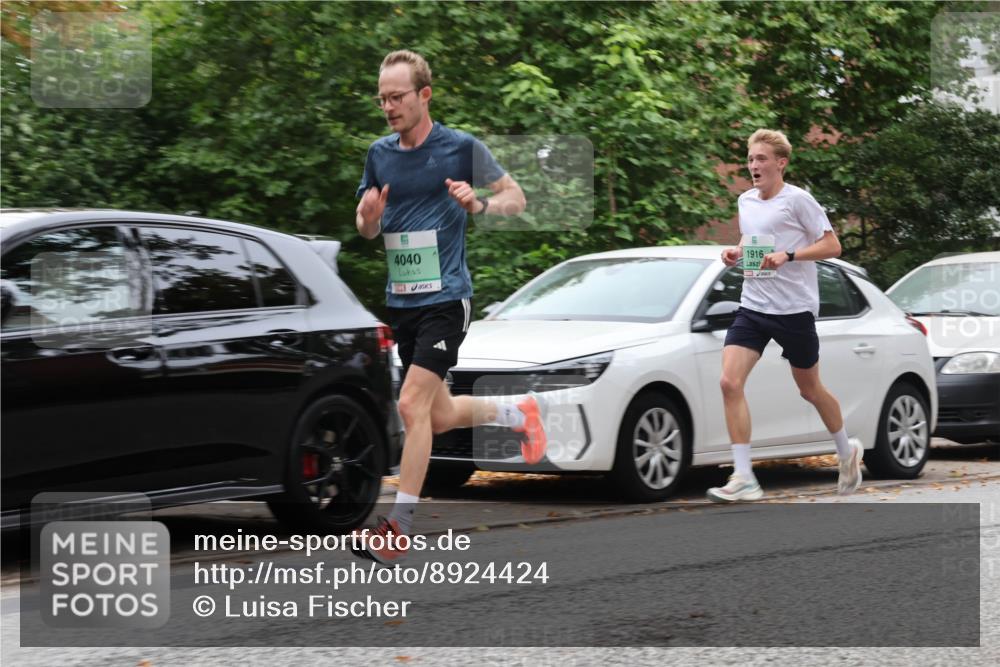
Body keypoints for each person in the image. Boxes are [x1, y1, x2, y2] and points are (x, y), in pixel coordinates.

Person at [351, 50, 547, 563]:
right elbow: (366, 227)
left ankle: (399, 525)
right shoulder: (379, 153)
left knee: (410, 406)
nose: (388, 106)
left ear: (424, 95)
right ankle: (517, 411)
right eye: (382, 98)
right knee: (435, 417)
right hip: (403, 302)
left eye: (397, 97)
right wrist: (368, 216)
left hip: (446, 298)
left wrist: (479, 204)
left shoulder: (460, 148)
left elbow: (516, 198)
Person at [707, 128, 864, 503]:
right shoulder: (746, 201)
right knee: (729, 383)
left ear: (781, 163)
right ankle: (744, 476)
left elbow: (833, 245)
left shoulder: (799, 201)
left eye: (761, 159)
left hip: (794, 310)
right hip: (754, 306)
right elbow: (752, 243)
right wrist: (736, 252)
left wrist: (789, 256)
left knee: (809, 389)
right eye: (750, 159)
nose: (754, 166)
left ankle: (846, 450)